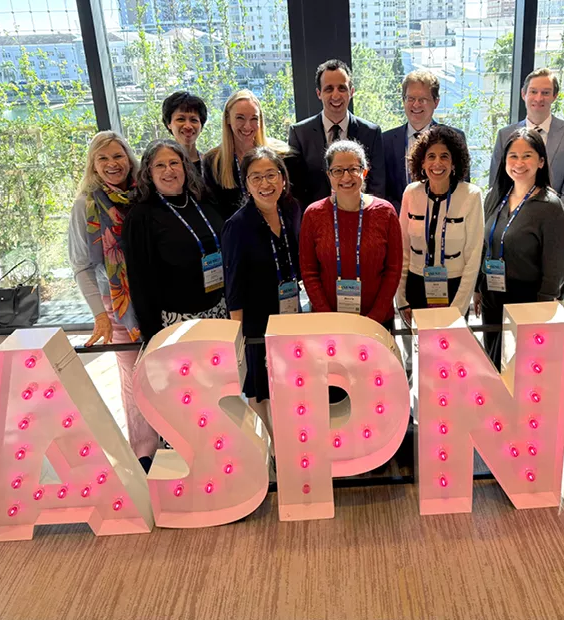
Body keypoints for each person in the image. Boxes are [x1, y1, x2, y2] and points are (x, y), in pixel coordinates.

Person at [67, 131, 157, 471]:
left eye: (117, 156)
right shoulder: (85, 206)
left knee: (159, 371)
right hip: (118, 305)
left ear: (129, 159)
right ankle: (145, 452)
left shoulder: (143, 196)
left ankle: (171, 438)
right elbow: (81, 265)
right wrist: (99, 316)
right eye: (102, 158)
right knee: (133, 376)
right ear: (93, 165)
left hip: (154, 297)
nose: (111, 164)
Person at [221, 147, 302, 433]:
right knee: (262, 390)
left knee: (291, 382)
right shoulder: (238, 226)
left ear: (283, 178)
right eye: (256, 177)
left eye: (271, 175)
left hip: (291, 314)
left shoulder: (291, 210)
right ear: (246, 184)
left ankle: (292, 443)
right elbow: (233, 288)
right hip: (257, 323)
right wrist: (240, 339)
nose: (265, 184)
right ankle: (273, 453)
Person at [477, 127, 564, 368]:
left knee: (519, 369)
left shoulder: (550, 207)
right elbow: (483, 246)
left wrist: (543, 307)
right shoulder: (495, 196)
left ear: (541, 161)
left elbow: (555, 268)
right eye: (513, 156)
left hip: (527, 300)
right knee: (494, 365)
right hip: (492, 295)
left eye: (527, 155)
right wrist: (478, 288)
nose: (519, 162)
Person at [124, 139, 230, 340]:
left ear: (185, 166)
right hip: (175, 320)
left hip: (218, 311)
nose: (168, 171)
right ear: (148, 172)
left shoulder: (203, 200)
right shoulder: (141, 216)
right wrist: (152, 335)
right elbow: (140, 282)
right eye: (160, 165)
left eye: (174, 163)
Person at [299, 140, 403, 328]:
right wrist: (329, 318)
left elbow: (393, 269)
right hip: (328, 323)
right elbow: (309, 272)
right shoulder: (313, 214)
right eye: (338, 170)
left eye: (353, 169)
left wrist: (374, 319)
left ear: (364, 172)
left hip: (378, 322)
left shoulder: (385, 212)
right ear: (329, 175)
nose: (346, 177)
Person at [396, 125, 484, 325]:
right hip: (416, 287)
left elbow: (473, 258)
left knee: (450, 353)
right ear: (422, 162)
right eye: (431, 156)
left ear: (454, 163)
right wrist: (401, 300)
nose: (437, 163)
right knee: (418, 352)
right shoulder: (411, 193)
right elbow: (403, 250)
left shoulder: (471, 195)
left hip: (454, 288)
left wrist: (459, 309)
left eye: (444, 156)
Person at [287, 59, 385, 209]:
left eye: (342, 88)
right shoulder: (300, 134)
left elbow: (377, 185)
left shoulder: (371, 133)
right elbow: (296, 188)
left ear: (351, 92)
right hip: (317, 220)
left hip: (360, 218)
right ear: (319, 93)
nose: (336, 95)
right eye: (328, 89)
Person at [489, 68, 564, 205]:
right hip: (512, 218)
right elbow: (496, 184)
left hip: (556, 217)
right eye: (533, 92)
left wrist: (553, 214)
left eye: (545, 93)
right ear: (523, 94)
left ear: (555, 96)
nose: (539, 98)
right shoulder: (504, 135)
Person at [379, 71, 469, 210]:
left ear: (436, 102)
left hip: (444, 220)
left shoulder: (454, 138)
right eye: (410, 98)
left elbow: (462, 185)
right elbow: (381, 189)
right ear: (403, 100)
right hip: (400, 221)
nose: (416, 105)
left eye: (423, 99)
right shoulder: (385, 141)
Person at [203, 90, 290, 221]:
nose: (247, 126)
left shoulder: (280, 155)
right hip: (238, 236)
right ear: (227, 118)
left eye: (254, 118)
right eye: (240, 118)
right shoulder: (213, 162)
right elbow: (216, 211)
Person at [161, 91, 208, 175]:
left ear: (201, 126)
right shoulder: (161, 167)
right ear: (169, 124)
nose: (188, 126)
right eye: (181, 119)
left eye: (194, 120)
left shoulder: (211, 165)